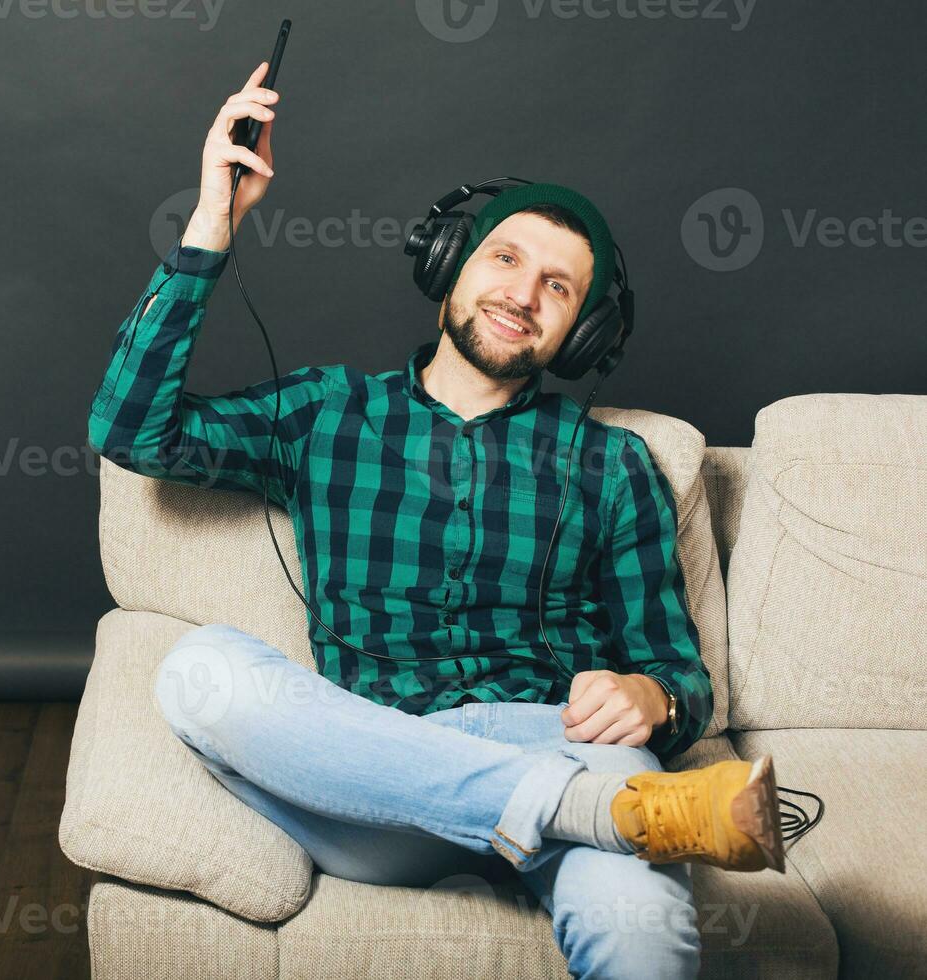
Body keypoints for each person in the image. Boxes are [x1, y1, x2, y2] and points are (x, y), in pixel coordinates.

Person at [87, 62, 783, 979]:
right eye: (506, 258)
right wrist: (215, 218)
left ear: (580, 332)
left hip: (562, 744)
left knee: (639, 924)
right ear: (450, 261)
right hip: (375, 786)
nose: (523, 295)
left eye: (559, 288)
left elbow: (675, 670)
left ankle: (580, 808)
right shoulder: (326, 414)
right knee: (198, 671)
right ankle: (567, 808)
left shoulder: (613, 465)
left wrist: (656, 697)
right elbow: (131, 430)